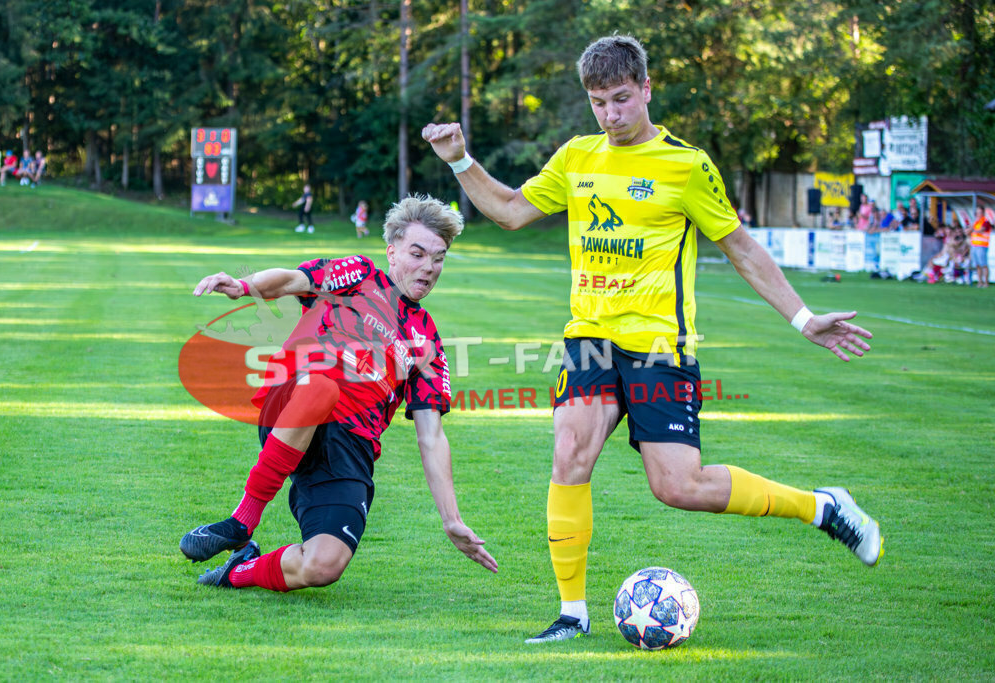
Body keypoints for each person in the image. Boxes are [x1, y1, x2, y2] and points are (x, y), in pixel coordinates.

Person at [423, 34, 882, 644]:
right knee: (569, 457)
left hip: (661, 344)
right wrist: (459, 160)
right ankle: (572, 615)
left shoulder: (686, 166)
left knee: (678, 487)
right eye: (598, 103)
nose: (610, 115)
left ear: (645, 90)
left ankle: (822, 506)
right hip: (589, 336)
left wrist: (803, 320)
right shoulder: (578, 157)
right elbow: (508, 210)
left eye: (620, 99)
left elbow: (740, 247)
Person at [179, 194, 497, 593]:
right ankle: (243, 519)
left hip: (351, 446)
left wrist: (451, 518)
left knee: (323, 566)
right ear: (392, 251)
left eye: (439, 258)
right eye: (418, 254)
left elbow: (431, 435)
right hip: (294, 400)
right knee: (324, 384)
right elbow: (294, 280)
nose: (429, 268)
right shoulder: (359, 275)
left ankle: (240, 568)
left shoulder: (426, 340)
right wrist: (244, 286)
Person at [969, 206, 991, 288]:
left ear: (983, 213)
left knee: (983, 264)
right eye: (977, 212)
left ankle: (986, 282)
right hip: (974, 245)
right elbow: (969, 231)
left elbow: (982, 230)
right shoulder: (976, 222)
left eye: (980, 212)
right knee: (977, 264)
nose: (978, 214)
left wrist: (972, 229)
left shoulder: (985, 221)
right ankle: (980, 282)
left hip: (982, 245)